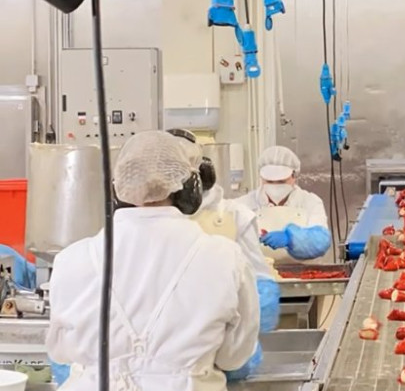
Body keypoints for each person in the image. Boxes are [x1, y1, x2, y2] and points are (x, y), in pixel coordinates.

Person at [47, 131, 260, 390]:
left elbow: (61, 352)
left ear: (117, 189)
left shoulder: (70, 260)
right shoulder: (225, 257)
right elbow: (233, 357)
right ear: (190, 188)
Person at [168, 129, 280, 380]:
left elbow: (259, 282)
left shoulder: (233, 215)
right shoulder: (150, 223)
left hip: (218, 345)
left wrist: (243, 334)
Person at [233, 146, 330, 263]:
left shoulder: (310, 202)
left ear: (294, 176)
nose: (275, 186)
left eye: (281, 181)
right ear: (261, 177)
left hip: (304, 272)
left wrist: (291, 238)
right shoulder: (242, 205)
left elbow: (321, 241)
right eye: (269, 181)